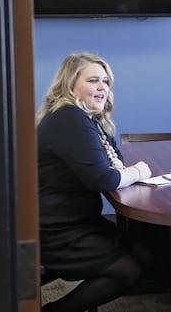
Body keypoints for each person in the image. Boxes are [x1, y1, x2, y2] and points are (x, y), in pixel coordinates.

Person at [36, 52, 152, 311]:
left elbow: (115, 161)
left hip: (77, 221)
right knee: (126, 270)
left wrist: (125, 170)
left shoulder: (86, 118)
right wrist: (139, 172)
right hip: (56, 229)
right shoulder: (69, 117)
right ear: (70, 84)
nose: (102, 87)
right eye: (93, 80)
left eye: (106, 81)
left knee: (144, 253)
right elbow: (105, 178)